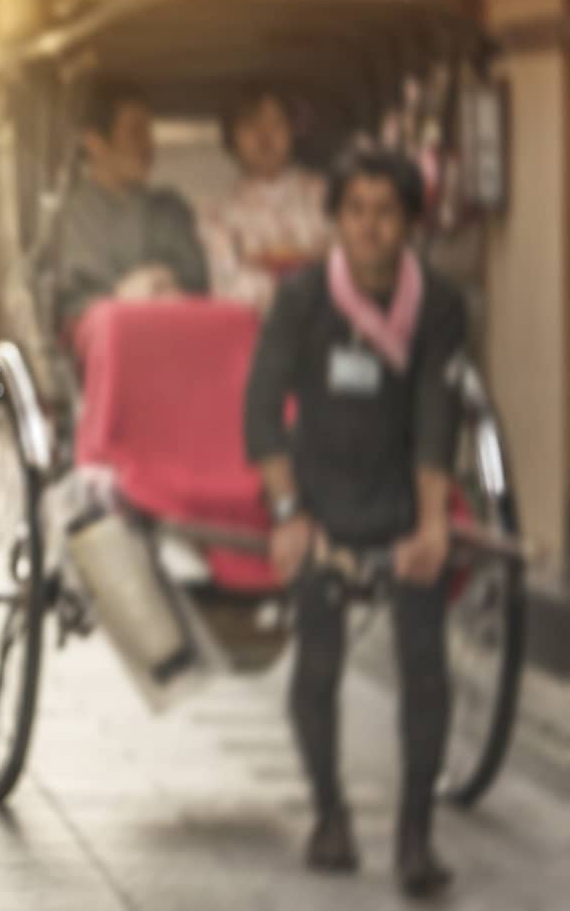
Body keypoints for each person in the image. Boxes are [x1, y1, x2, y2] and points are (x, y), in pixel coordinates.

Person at [244, 148, 466, 900]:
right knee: (318, 664)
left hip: (402, 500)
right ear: (337, 219)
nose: (371, 228)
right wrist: (286, 513)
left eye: (387, 212)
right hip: (320, 503)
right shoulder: (303, 297)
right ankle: (330, 813)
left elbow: (439, 416)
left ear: (408, 222)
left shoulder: (436, 303)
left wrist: (433, 522)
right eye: (357, 211)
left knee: (427, 672)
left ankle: (415, 837)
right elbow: (262, 407)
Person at [39, 78, 210, 338]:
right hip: (107, 346)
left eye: (148, 132)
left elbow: (197, 284)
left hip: (177, 336)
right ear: (94, 142)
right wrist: (123, 300)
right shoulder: (70, 215)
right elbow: (70, 301)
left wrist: (164, 283)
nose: (148, 145)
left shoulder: (170, 208)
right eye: (135, 132)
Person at [197, 86, 332, 312]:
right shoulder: (215, 213)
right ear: (232, 138)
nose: (264, 135)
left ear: (291, 130)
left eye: (275, 123)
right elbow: (226, 288)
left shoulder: (328, 193)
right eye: (251, 125)